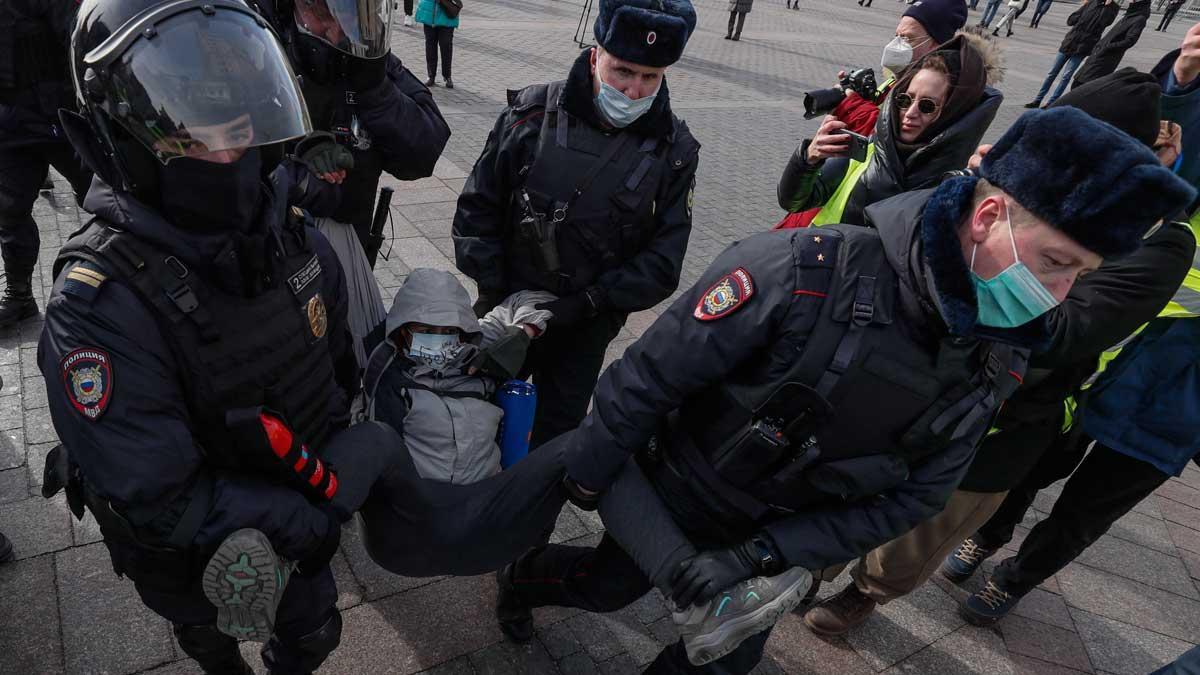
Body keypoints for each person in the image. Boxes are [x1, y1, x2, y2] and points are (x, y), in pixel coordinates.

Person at [492, 107, 1194, 674]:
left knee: (721, 660)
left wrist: (763, 553)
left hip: (779, 545)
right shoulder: (799, 271)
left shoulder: (999, 351)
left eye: (1080, 273)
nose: (1062, 294)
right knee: (605, 586)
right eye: (1057, 262)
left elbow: (919, 494)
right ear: (987, 220)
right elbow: (644, 380)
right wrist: (588, 478)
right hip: (678, 494)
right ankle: (522, 581)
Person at [803, 69, 1200, 637]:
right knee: (853, 490)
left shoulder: (1162, 242)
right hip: (919, 374)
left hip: (1010, 414)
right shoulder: (1019, 184)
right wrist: (960, 205)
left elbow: (1065, 331)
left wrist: (990, 251)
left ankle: (864, 594)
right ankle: (815, 565)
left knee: (924, 530)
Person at [39, 0, 365, 671]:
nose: (229, 156)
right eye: (198, 139)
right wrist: (302, 519)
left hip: (298, 498)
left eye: (242, 131)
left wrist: (346, 469)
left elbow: (335, 372)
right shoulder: (99, 303)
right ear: (132, 140)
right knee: (208, 629)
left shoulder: (292, 234)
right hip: (196, 544)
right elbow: (159, 495)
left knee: (314, 632)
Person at [452, 0, 701, 449]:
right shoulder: (530, 114)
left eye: (651, 77)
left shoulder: (674, 151)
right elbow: (477, 208)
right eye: (622, 71)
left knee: (552, 443)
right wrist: (496, 291)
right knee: (468, 415)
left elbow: (663, 262)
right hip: (506, 306)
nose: (633, 91)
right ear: (594, 55)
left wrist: (588, 305)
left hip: (583, 329)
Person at [778, 35, 1002, 227]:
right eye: (905, 99)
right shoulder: (869, 149)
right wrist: (808, 160)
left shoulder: (954, 189)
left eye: (927, 106)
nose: (910, 113)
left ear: (954, 113)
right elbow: (794, 202)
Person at [361, 268, 554, 484]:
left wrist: (521, 332)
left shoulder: (473, 347)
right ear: (404, 330)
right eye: (426, 330)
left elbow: (537, 299)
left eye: (447, 331)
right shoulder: (390, 370)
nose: (439, 340)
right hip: (423, 499)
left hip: (486, 490)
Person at [0, 0, 93, 328]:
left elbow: (79, 36)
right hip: (11, 124)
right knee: (10, 212)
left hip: (62, 117)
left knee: (104, 200)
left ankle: (118, 281)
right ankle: (20, 295)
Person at [832, 0, 968, 137]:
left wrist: (851, 105)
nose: (895, 44)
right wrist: (862, 97)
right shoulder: (903, 74)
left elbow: (892, 136)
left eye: (907, 38)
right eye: (897, 36)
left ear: (937, 45)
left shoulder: (941, 87)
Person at [1024, 0, 1120, 108]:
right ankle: (1037, 100)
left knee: (1066, 76)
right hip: (1070, 42)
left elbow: (1104, 22)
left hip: (1083, 47)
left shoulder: (1113, 9)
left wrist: (1107, 7)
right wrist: (1079, 17)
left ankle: (1052, 102)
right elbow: (1070, 20)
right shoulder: (1091, 2)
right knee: (1052, 73)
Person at [1072, 0, 1151, 87]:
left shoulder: (1139, 19)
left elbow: (1130, 41)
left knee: (1083, 87)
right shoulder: (1130, 14)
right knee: (1077, 83)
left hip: (1106, 59)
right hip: (1098, 54)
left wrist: (1107, 47)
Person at [416, 0, 458, 88]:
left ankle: (447, 75)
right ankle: (431, 75)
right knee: (430, 46)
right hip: (429, 13)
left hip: (446, 12)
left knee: (446, 46)